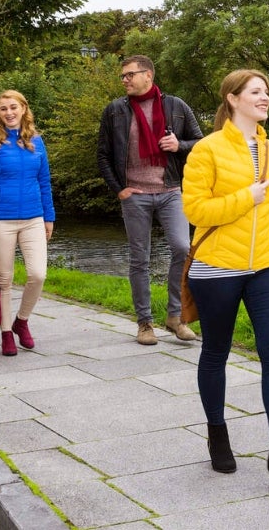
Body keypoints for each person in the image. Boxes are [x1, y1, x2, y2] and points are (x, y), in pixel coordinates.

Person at [181, 69, 269, 488]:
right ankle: (218, 434)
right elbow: (196, 212)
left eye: (267, 92)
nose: (265, 97)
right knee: (216, 351)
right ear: (233, 99)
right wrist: (244, 198)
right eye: (256, 91)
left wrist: (266, 239)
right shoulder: (206, 150)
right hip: (217, 265)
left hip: (268, 263)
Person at [97, 55, 204, 345]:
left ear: (148, 75)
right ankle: (145, 323)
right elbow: (103, 155)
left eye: (130, 75)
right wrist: (119, 188)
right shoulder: (115, 111)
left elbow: (201, 143)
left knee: (183, 248)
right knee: (139, 259)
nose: (125, 80)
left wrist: (178, 145)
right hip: (135, 195)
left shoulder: (176, 106)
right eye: (123, 76)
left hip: (170, 191)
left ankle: (174, 316)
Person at [0, 90, 55, 357]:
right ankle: (6, 332)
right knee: (5, 281)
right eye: (3, 109)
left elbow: (44, 182)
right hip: (0, 220)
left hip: (33, 218)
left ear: (23, 109)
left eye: (13, 107)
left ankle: (22, 320)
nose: (8, 113)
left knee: (37, 274)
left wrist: (49, 217)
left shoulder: (37, 142)